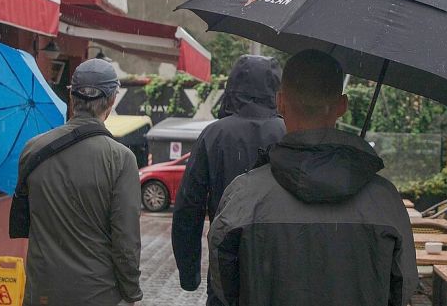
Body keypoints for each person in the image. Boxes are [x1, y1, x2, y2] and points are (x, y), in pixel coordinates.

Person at [207, 50, 417, 306]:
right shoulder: (386, 202)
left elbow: (224, 290)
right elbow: (402, 290)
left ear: (280, 103)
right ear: (342, 106)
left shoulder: (243, 197)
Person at [16, 59, 142, 306]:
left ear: (71, 96)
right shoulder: (120, 159)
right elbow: (126, 240)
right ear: (112, 100)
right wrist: (131, 292)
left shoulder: (33, 149)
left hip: (42, 291)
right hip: (97, 294)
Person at [172, 55, 284, 305]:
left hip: (226, 259)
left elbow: (188, 208)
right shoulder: (289, 133)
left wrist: (189, 274)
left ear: (232, 87)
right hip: (280, 260)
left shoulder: (214, 135)